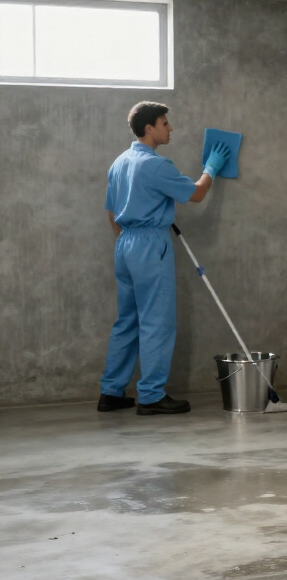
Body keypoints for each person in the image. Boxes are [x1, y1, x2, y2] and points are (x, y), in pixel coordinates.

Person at [98, 102, 231, 415]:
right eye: (165, 123)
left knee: (127, 321)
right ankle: (151, 396)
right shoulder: (156, 165)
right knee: (157, 322)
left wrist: (127, 242)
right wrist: (211, 169)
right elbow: (196, 194)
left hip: (125, 244)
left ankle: (111, 392)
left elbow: (110, 211)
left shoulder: (120, 162)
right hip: (149, 245)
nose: (170, 128)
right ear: (149, 129)